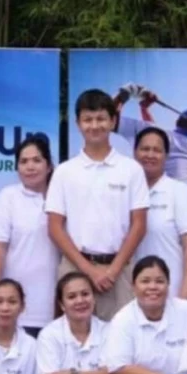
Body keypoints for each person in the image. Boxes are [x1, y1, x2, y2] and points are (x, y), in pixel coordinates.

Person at [47, 89, 149, 321]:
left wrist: (112, 270)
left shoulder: (131, 169)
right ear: (78, 123)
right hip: (75, 266)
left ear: (113, 121)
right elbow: (54, 227)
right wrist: (90, 270)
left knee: (120, 339)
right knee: (74, 336)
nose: (95, 125)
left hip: (120, 269)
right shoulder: (65, 171)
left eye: (101, 118)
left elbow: (139, 225)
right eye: (88, 119)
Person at [0, 136, 59, 336]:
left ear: (49, 166)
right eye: (24, 162)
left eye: (36, 160)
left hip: (56, 304)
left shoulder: (61, 197)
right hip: (15, 307)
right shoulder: (8, 198)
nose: (30, 167)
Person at [133, 127, 187, 300]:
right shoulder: (126, 191)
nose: (150, 155)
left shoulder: (179, 191)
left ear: (166, 155)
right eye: (145, 149)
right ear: (134, 152)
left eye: (157, 150)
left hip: (170, 292)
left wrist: (185, 292)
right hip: (131, 293)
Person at [113, 82, 187, 183]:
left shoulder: (158, 135)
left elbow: (111, 122)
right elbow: (155, 133)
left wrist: (129, 90)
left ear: (177, 122)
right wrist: (144, 110)